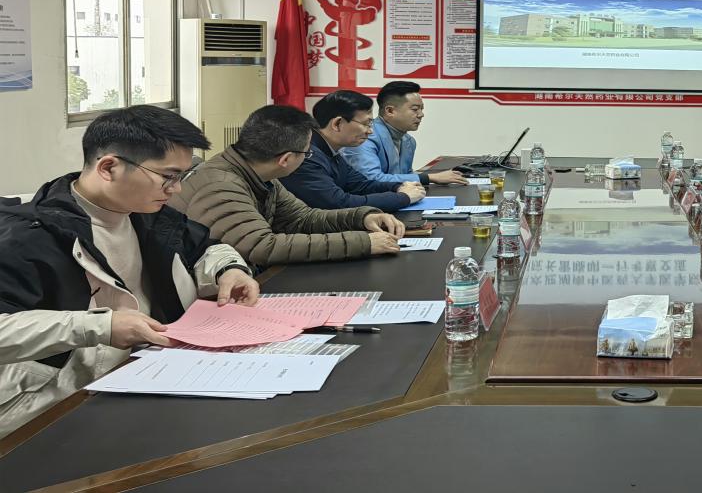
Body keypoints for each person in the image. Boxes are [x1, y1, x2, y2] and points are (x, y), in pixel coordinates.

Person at [0, 106, 258, 439]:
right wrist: (101, 326)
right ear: (109, 167)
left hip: (148, 376)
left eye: (182, 176)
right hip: (56, 410)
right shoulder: (29, 238)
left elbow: (203, 247)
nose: (176, 189)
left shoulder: (146, 214)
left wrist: (229, 269)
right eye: (168, 176)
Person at [171, 105, 407, 267]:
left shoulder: (261, 175)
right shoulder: (222, 186)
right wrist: (363, 243)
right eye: (306, 153)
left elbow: (304, 219)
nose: (308, 157)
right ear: (285, 159)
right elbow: (263, 247)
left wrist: (362, 217)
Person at [281, 91, 426, 211]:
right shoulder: (305, 155)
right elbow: (339, 203)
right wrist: (403, 197)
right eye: (366, 124)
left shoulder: (330, 150)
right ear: (337, 123)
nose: (370, 131)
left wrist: (398, 187)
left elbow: (361, 185)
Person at [344, 82, 468, 186]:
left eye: (422, 109)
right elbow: (371, 179)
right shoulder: (363, 138)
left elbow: (405, 176)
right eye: (415, 109)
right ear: (390, 111)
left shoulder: (409, 141)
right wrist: (430, 178)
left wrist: (439, 177)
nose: (421, 114)